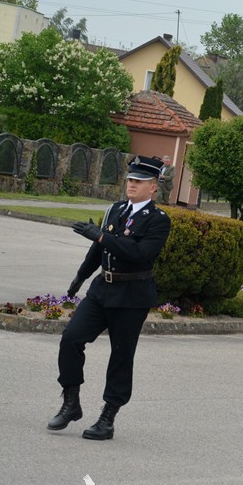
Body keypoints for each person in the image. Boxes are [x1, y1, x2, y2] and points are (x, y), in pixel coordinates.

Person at [48, 156, 172, 440]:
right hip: (101, 290)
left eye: (138, 181)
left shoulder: (158, 221)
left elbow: (139, 254)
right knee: (71, 338)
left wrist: (102, 237)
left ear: (153, 187)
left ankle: (108, 417)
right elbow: (97, 250)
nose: (131, 185)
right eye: (130, 180)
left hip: (132, 296)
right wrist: (80, 277)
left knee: (121, 356)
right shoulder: (115, 210)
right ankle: (71, 402)